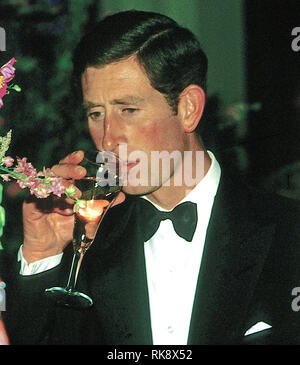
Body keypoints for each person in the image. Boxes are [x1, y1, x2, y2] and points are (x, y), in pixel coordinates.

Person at [1, 10, 300, 345]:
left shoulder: (289, 234)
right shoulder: (86, 246)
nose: (109, 139)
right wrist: (42, 256)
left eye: (128, 110)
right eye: (96, 113)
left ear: (188, 108)